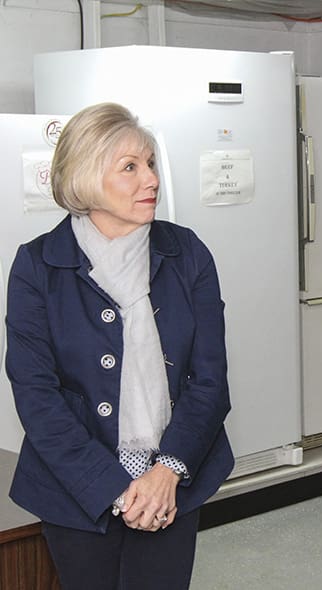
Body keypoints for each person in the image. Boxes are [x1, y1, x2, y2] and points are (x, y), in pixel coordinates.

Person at [5, 102, 234, 589]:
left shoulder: (186, 252)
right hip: (74, 489)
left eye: (149, 164)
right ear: (85, 178)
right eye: (130, 167)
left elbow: (210, 380)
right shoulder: (37, 267)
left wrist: (165, 474)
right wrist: (116, 490)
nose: (151, 180)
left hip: (172, 481)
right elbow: (36, 395)